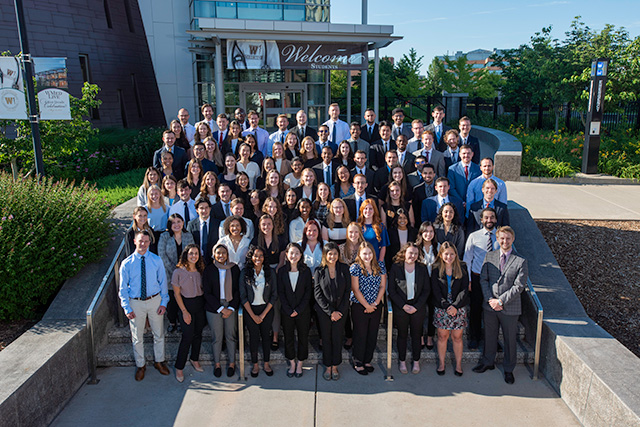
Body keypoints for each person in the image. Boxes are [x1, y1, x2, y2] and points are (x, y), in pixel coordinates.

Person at [474, 226, 528, 385]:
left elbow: (519, 286)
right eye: (502, 238)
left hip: (509, 307)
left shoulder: (521, 260)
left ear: (513, 239)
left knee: (510, 339)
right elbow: (484, 279)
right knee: (489, 336)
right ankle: (488, 362)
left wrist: (501, 301)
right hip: (490, 305)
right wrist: (490, 299)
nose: (505, 241)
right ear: (497, 239)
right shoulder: (489, 256)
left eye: (508, 238)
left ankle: (509, 369)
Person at [118, 230, 170, 381]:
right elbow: (122, 288)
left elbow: (163, 282)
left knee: (158, 334)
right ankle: (141, 365)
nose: (143, 244)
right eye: (140, 241)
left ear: (149, 242)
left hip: (154, 300)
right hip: (136, 302)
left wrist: (164, 302)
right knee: (137, 336)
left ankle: (159, 361)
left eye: (146, 241)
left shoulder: (156, 260)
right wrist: (127, 307)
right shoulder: (127, 263)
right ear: (135, 241)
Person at [388, 242, 430, 374]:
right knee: (402, 335)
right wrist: (403, 305)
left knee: (417, 335)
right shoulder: (396, 267)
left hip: (418, 307)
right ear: (404, 253)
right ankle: (402, 361)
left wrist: (416, 306)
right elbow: (391, 290)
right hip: (401, 308)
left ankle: (416, 361)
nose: (413, 256)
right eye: (410, 253)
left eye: (416, 253)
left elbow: (426, 290)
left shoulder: (422, 268)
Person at [463, 207, 500, 350]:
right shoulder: (474, 236)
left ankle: (493, 339)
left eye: (492, 217)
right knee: (476, 309)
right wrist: (469, 280)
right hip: (477, 277)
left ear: (496, 219)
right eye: (486, 217)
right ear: (481, 220)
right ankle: (475, 337)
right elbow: (467, 259)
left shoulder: (501, 236)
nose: (489, 220)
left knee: (493, 311)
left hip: (495, 279)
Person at [432, 241, 470, 376]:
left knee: (457, 337)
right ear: (441, 255)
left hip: (458, 306)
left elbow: (464, 289)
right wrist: (447, 306)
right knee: (442, 336)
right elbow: (435, 291)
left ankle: (458, 365)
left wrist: (455, 306)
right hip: (442, 307)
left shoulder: (462, 267)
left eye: (452, 254)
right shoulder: (436, 268)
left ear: (456, 255)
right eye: (446, 254)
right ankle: (442, 364)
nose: (449, 257)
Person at [314, 242, 351, 380]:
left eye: (335, 253)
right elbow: (317, 293)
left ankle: (335, 366)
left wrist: (339, 311)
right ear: (325, 255)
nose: (333, 256)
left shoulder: (344, 268)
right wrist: (330, 312)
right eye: (330, 254)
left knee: (337, 338)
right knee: (326, 338)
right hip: (325, 312)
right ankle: (327, 366)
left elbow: (348, 291)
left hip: (341, 311)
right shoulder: (319, 270)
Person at [239, 246, 277, 377]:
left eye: (261, 256)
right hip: (250, 310)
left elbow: (274, 295)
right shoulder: (244, 273)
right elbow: (243, 296)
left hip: (266, 310)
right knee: (254, 338)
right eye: (255, 256)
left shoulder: (270, 272)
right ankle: (255, 364)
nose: (258, 258)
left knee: (266, 337)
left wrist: (262, 315)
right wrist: (253, 316)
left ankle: (266, 363)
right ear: (251, 257)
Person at [203, 244, 240, 378]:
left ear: (227, 254)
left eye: (224, 253)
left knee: (230, 336)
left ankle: (232, 363)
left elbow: (238, 290)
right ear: (214, 254)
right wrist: (220, 309)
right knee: (217, 338)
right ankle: (217, 364)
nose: (221, 255)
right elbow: (207, 292)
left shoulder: (234, 268)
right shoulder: (209, 270)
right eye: (218, 253)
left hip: (230, 305)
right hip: (214, 307)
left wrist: (230, 308)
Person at [350, 241, 387, 375]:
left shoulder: (380, 266)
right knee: (360, 334)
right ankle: (358, 361)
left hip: (375, 306)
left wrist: (375, 303)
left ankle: (367, 360)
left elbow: (382, 286)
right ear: (359, 254)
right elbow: (355, 289)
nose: (367, 256)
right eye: (364, 253)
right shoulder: (355, 268)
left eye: (370, 253)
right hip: (360, 306)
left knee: (372, 334)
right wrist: (366, 305)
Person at [171, 244, 206, 382]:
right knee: (187, 336)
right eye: (191, 253)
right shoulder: (178, 272)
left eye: (196, 253)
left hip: (200, 304)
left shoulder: (201, 270)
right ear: (186, 254)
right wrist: (184, 312)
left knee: (198, 334)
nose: (194, 256)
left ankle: (194, 359)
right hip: (186, 305)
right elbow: (176, 294)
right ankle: (179, 367)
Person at [277, 243, 313, 378]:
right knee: (289, 337)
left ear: (301, 255)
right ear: (286, 255)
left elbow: (308, 292)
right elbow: (281, 292)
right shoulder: (282, 271)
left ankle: (300, 364)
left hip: (303, 311)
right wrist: (288, 309)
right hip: (287, 311)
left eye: (297, 253)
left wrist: (298, 309)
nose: (294, 256)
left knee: (303, 337)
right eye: (291, 253)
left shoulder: (306, 271)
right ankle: (292, 363)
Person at [158, 213, 195, 334]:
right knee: (172, 298)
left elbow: (192, 253)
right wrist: (175, 271)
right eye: (173, 223)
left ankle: (181, 321)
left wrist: (183, 270)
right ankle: (172, 321)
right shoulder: (164, 236)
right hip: (169, 273)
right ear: (169, 225)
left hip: (186, 273)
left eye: (179, 221)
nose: (176, 224)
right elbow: (162, 255)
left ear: (183, 223)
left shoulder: (188, 235)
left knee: (183, 297)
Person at [416, 221, 438, 350]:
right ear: (421, 233)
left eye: (431, 231)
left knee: (432, 312)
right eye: (426, 231)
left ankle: (430, 336)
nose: (428, 234)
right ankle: (419, 337)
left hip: (434, 283)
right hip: (420, 284)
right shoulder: (416, 247)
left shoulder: (438, 247)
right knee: (420, 312)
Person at [186, 198, 220, 265]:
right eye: (201, 208)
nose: (204, 210)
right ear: (197, 210)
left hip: (214, 260)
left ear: (210, 209)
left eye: (206, 208)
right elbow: (188, 244)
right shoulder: (191, 225)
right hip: (196, 260)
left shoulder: (217, 224)